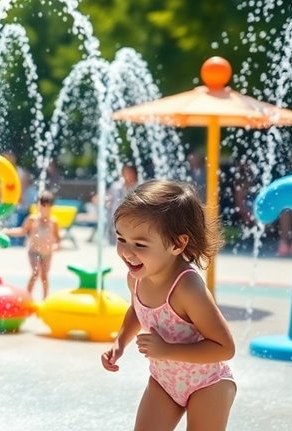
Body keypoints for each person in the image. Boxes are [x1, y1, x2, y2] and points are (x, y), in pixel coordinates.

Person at [101, 180, 236, 431]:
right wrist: (120, 343)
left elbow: (224, 348)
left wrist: (167, 351)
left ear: (177, 244)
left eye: (140, 244)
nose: (127, 252)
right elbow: (137, 310)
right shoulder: (137, 278)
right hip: (164, 382)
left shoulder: (187, 288)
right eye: (121, 238)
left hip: (208, 384)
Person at [1, 190, 61, 299]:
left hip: (47, 254)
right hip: (34, 252)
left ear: (50, 207)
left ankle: (45, 299)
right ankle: (27, 297)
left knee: (44, 277)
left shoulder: (53, 222)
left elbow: (57, 239)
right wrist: (7, 231)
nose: (42, 209)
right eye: (40, 206)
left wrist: (56, 246)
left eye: (45, 207)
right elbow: (22, 231)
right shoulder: (32, 219)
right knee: (35, 273)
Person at [105, 164, 140, 244]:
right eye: (125, 172)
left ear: (134, 173)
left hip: (132, 218)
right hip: (115, 216)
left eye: (129, 172)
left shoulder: (139, 186)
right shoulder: (116, 186)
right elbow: (109, 197)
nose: (127, 175)